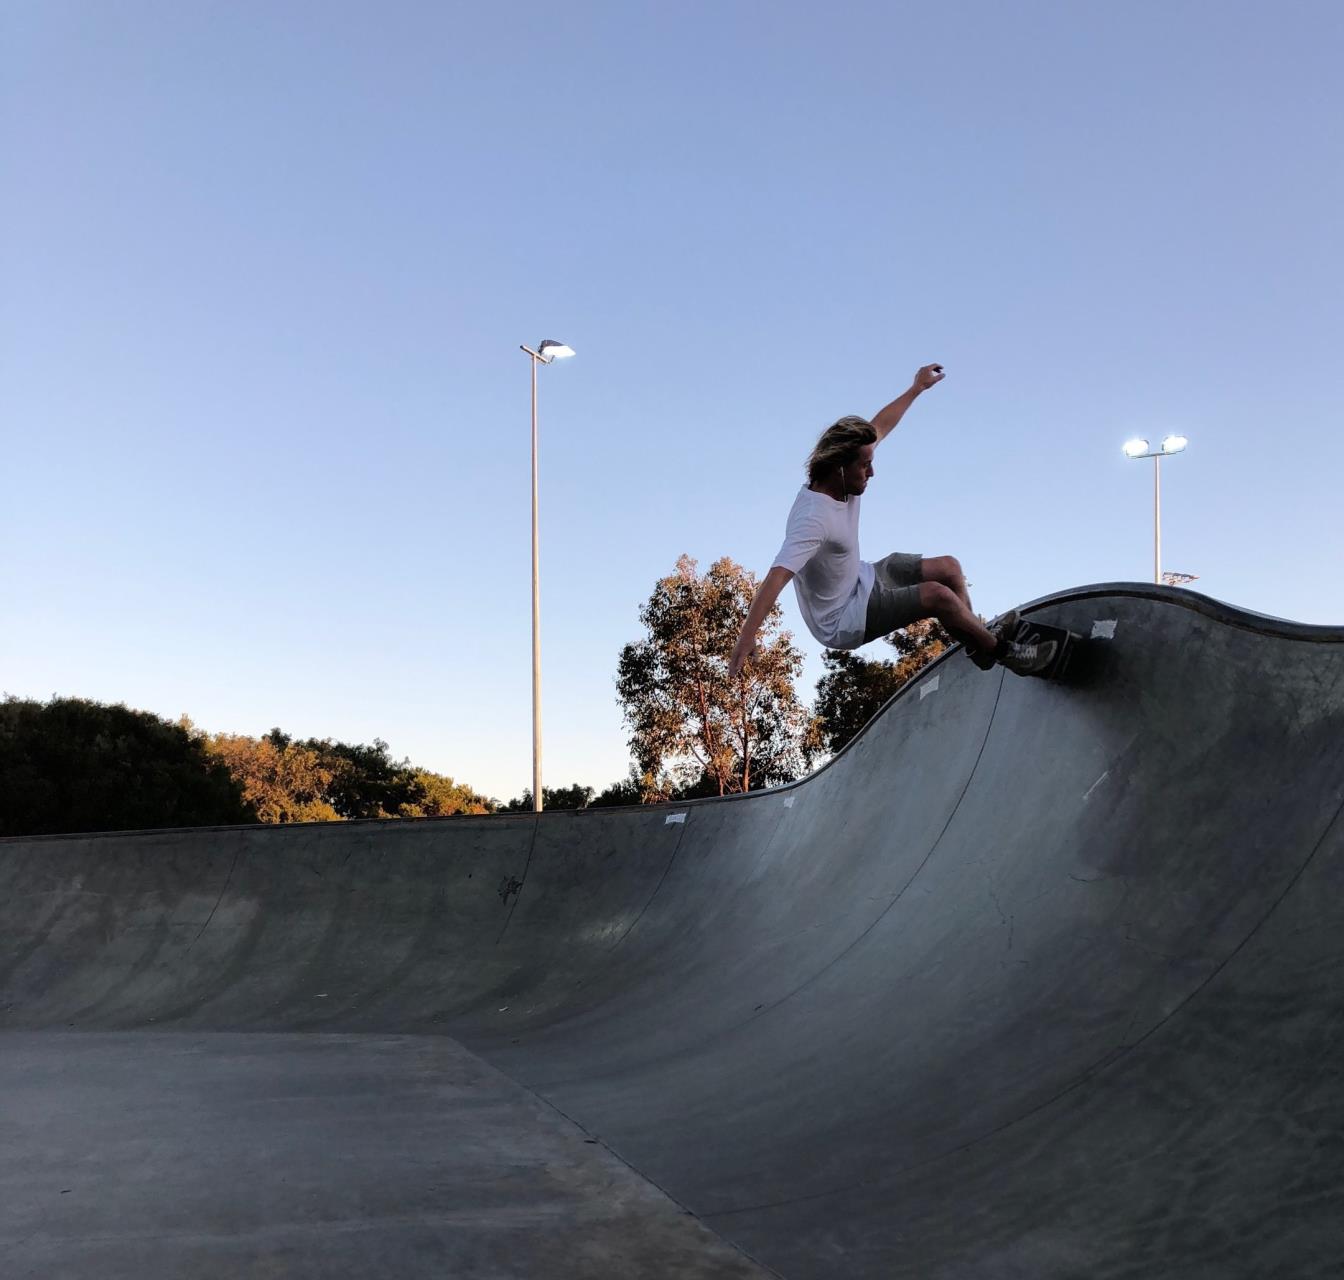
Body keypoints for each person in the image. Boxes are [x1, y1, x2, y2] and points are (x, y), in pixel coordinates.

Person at [727, 364, 1055, 679]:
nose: (872, 473)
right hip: (843, 619)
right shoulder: (813, 519)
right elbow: (777, 576)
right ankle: (1002, 652)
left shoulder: (844, 467)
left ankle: (977, 642)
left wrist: (916, 388)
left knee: (950, 568)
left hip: (863, 578)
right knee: (937, 596)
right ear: (840, 466)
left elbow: (881, 425)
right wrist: (747, 634)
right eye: (865, 466)